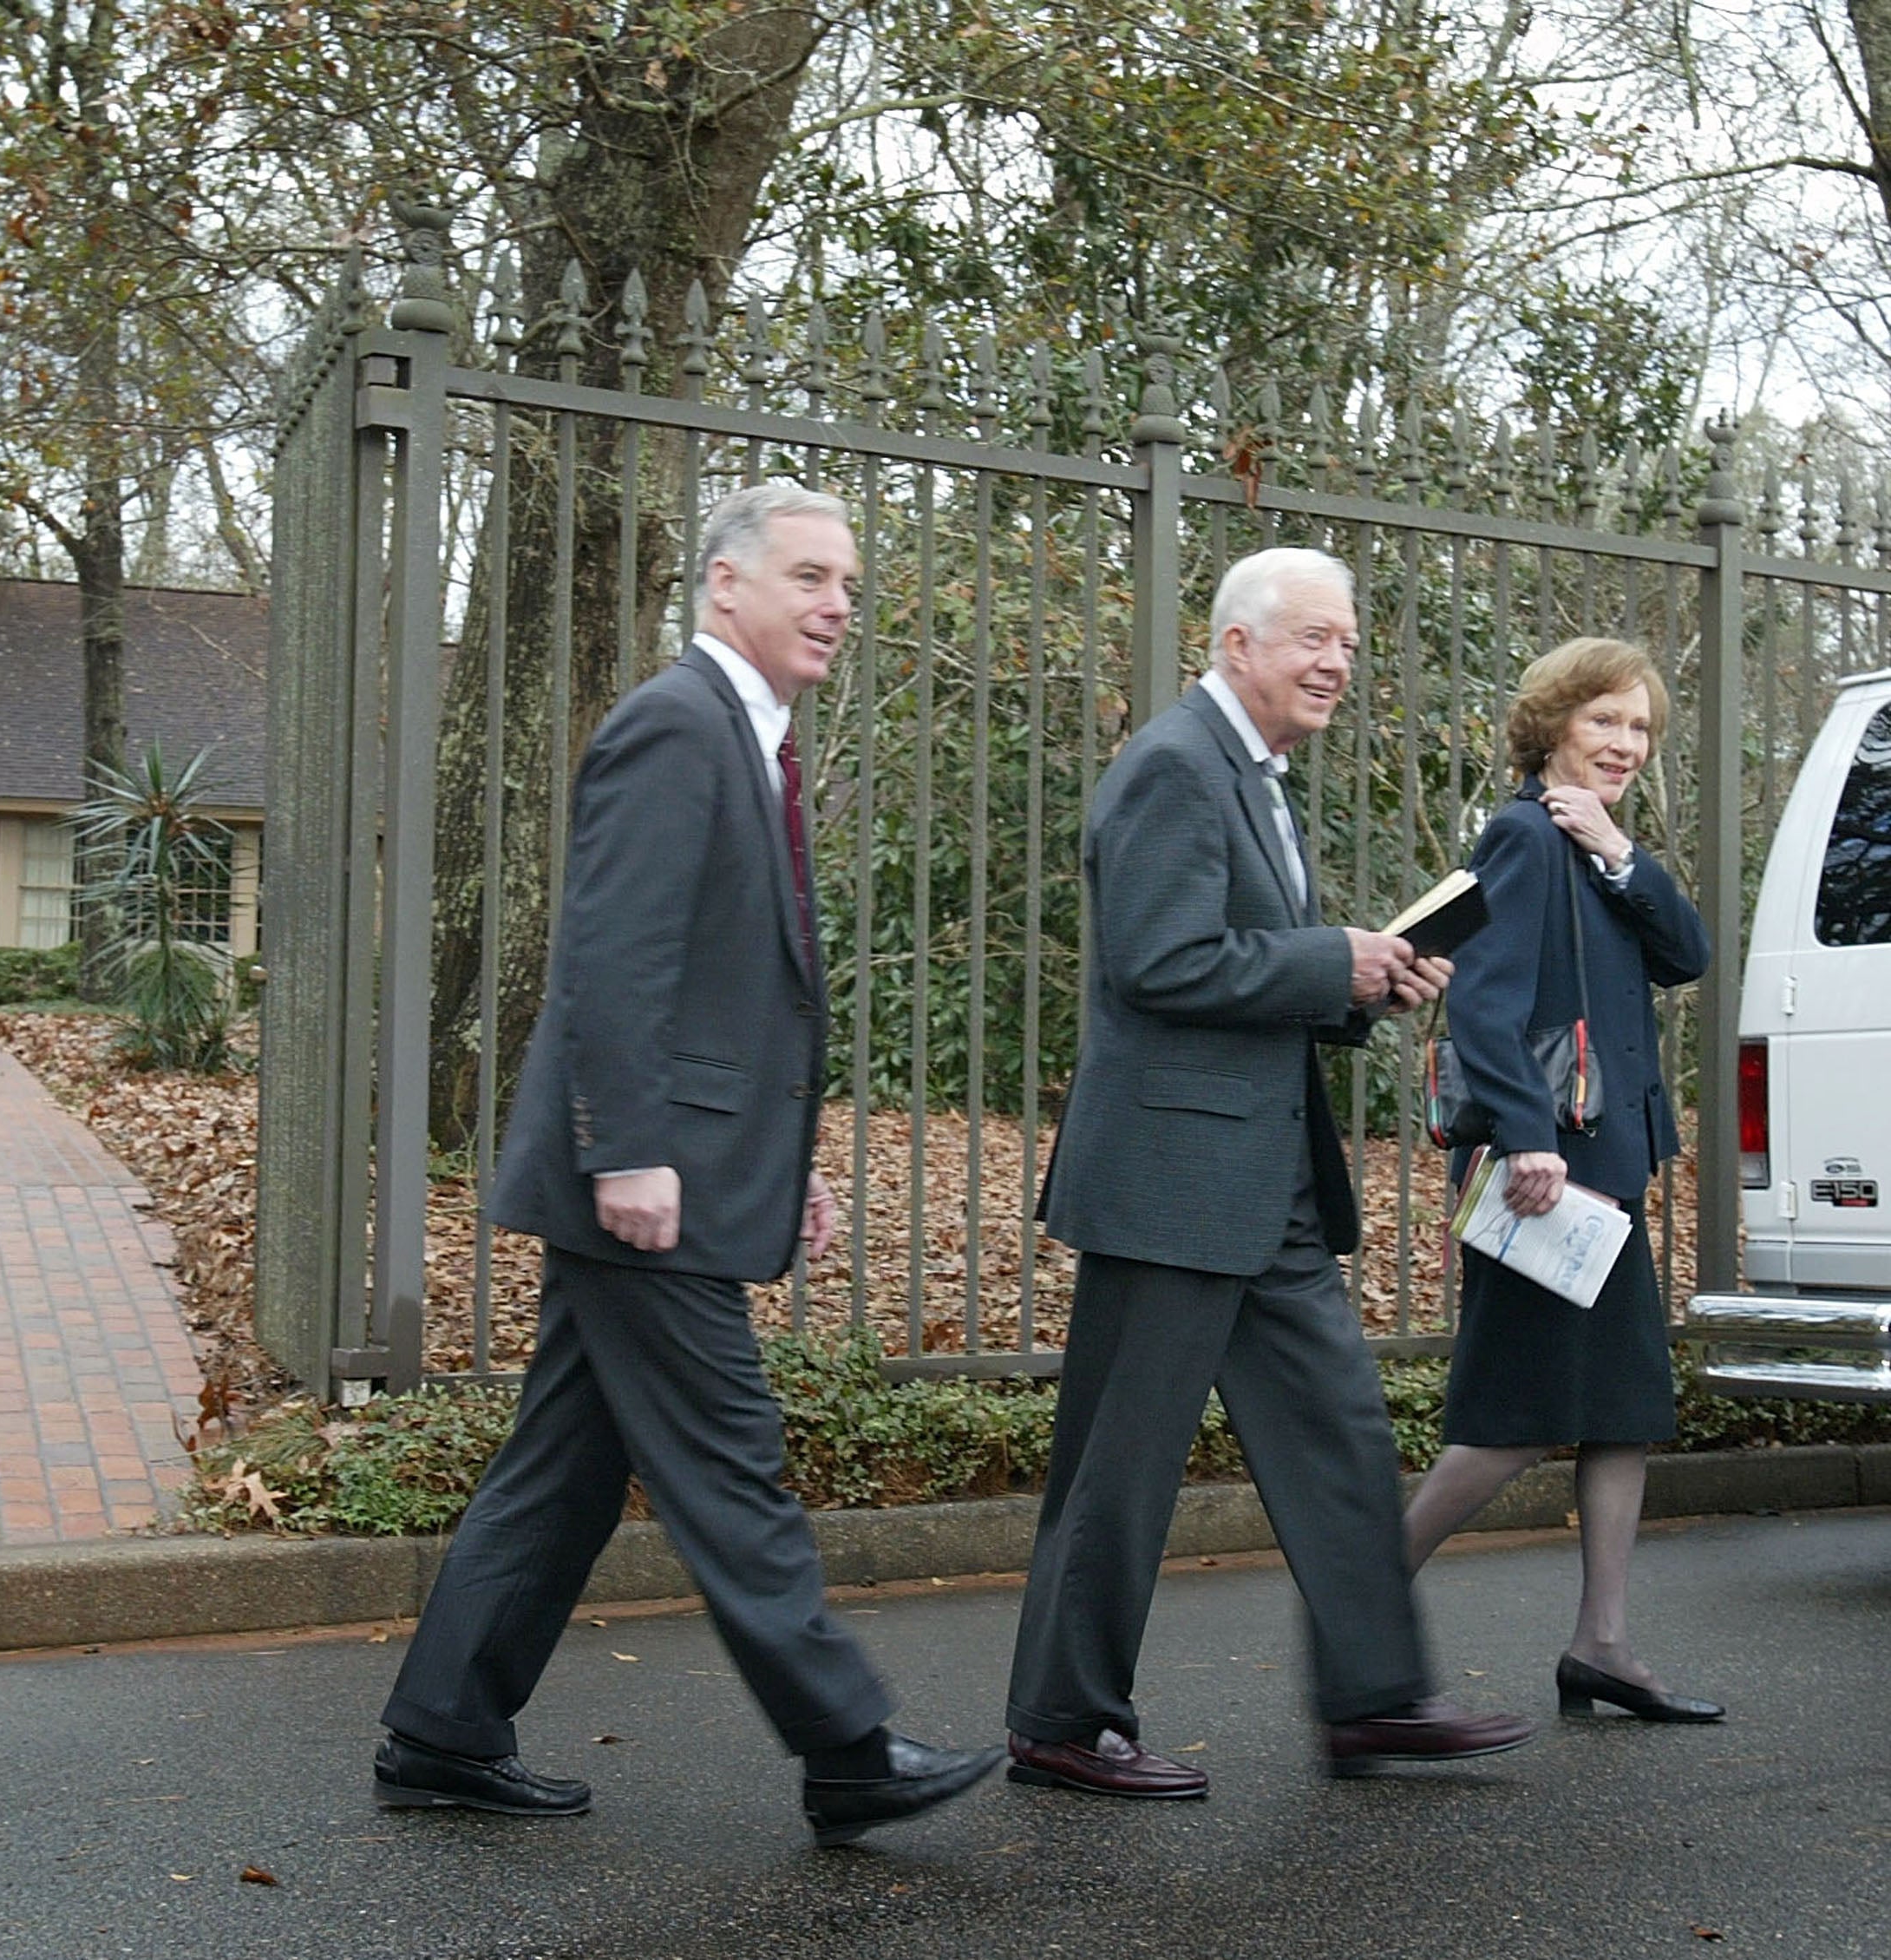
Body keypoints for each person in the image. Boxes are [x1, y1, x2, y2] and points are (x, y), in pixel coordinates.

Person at [374, 482, 1003, 1846]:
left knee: (566, 1466)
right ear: (726, 585)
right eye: (810, 576)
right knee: (732, 1459)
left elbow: (724, 993)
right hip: (638, 1188)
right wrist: (635, 1152)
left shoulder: (749, 737)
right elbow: (613, 959)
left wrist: (784, 1165)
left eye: (847, 579)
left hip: (680, 1168)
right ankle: (846, 1743)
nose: (839, 600)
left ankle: (441, 1728)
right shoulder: (678, 725)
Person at [1003, 546, 1537, 1799]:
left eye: (1346, 640)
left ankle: (1374, 1697)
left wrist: (1367, 978)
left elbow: (1244, 961)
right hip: (1173, 1179)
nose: (1337, 660)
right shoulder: (1177, 767)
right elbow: (1159, 962)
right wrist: (1328, 962)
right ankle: (1061, 1721)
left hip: (1264, 1178)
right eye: (1312, 637)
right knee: (1120, 1465)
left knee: (1340, 1433)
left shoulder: (1254, 776)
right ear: (1236, 643)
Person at [1403, 638, 1720, 1723]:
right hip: (1550, 1173)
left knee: (1621, 1412)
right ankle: (1359, 1605)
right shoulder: (1524, 838)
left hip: (1607, 1171)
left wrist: (1623, 851)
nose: (1626, 744)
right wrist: (1528, 1135)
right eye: (1605, 724)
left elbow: (1689, 955)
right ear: (1553, 726)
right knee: (1513, 1419)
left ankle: (1604, 1645)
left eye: (1639, 729)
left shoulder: (1593, 843)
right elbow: (1485, 1001)